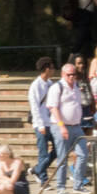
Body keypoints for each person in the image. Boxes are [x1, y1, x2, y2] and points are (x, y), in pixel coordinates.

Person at [47, 63, 90, 194]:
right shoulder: (57, 87)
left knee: (83, 154)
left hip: (76, 126)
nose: (71, 77)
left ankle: (78, 184)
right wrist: (61, 125)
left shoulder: (76, 86)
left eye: (73, 74)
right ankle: (61, 187)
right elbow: (53, 107)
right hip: (61, 126)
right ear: (62, 75)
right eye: (68, 74)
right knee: (63, 157)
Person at [28, 57, 57, 185]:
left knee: (58, 149)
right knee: (43, 152)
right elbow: (34, 107)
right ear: (47, 69)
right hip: (41, 124)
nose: (54, 70)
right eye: (52, 67)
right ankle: (43, 179)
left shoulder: (50, 84)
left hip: (51, 122)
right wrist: (40, 125)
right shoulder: (35, 85)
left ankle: (37, 170)